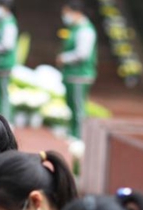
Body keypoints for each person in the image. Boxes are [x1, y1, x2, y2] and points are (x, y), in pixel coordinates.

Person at [56, 0, 97, 139]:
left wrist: (64, 58)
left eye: (67, 13)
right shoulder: (75, 28)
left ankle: (80, 136)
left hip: (80, 75)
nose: (65, 16)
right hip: (72, 74)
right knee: (72, 106)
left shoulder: (85, 30)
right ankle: (72, 132)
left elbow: (82, 53)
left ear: (77, 12)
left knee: (78, 107)